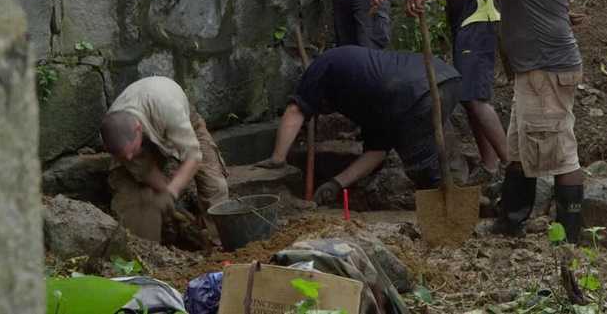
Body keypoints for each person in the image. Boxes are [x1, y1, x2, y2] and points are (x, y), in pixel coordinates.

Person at [406, 0, 584, 243]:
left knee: (561, 154)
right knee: (518, 149)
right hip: (537, 69)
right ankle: (511, 222)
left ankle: (570, 238)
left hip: (546, 70)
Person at [253, 45, 461, 204]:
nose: (326, 111)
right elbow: (376, 152)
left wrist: (278, 158)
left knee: (421, 165)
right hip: (446, 78)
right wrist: (335, 184)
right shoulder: (368, 101)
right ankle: (451, 194)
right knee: (427, 152)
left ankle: (447, 209)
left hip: (414, 90)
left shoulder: (321, 67)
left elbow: (295, 110)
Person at [421, 0, 508, 186]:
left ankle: (513, 167)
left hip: (478, 21)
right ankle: (490, 166)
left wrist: (504, 12)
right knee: (469, 97)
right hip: (467, 26)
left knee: (475, 98)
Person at [100, 76, 229, 243]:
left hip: (176, 116)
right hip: (147, 129)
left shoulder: (168, 108)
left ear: (137, 129)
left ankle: (219, 241)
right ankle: (149, 244)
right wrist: (164, 193)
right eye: (124, 156)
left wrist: (171, 192)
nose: (129, 158)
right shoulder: (112, 130)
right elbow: (144, 169)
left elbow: (194, 157)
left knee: (214, 185)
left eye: (131, 152)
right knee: (132, 191)